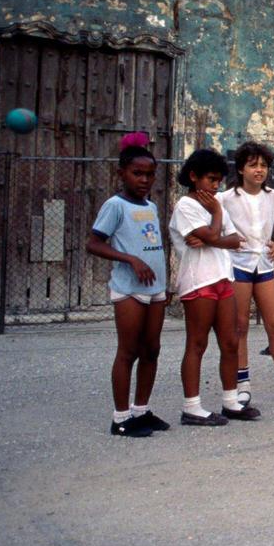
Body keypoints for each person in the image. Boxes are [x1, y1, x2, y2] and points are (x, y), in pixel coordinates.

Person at [169, 148, 259, 426]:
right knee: (197, 343)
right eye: (210, 179)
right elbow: (212, 234)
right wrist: (216, 217)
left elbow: (234, 239)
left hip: (223, 275)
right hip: (199, 279)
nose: (215, 186)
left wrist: (212, 236)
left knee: (230, 341)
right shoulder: (186, 205)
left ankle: (231, 400)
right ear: (193, 177)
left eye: (219, 180)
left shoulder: (213, 203)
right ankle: (191, 407)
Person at [86, 139, 168, 437]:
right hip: (129, 289)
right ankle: (120, 418)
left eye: (149, 174)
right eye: (137, 173)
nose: (144, 180)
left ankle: (141, 410)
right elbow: (93, 243)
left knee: (152, 350)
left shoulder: (151, 206)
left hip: (155, 288)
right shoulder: (115, 205)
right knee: (128, 351)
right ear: (122, 173)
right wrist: (130, 259)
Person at [217, 141, 274, 406]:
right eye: (252, 165)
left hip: (264, 266)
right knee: (240, 326)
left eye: (264, 165)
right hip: (238, 266)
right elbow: (214, 227)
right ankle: (243, 385)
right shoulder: (225, 198)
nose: (259, 170)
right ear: (241, 168)